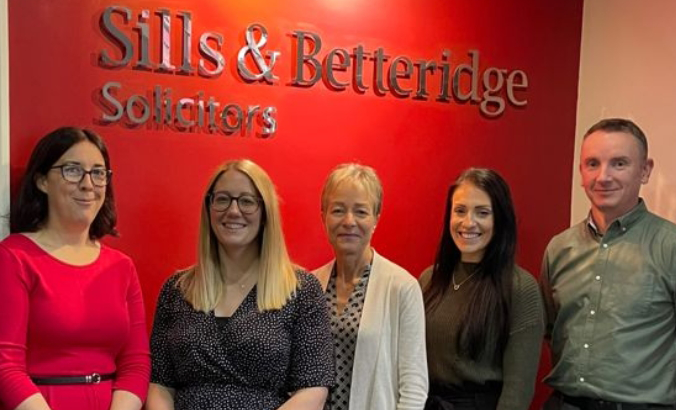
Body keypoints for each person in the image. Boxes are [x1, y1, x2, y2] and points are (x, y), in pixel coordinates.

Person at [541, 118, 676, 410]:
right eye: (592, 164)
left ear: (645, 170)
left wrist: (662, 403)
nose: (603, 177)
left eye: (619, 163)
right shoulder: (559, 247)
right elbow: (551, 328)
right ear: (581, 173)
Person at [147, 159, 334, 410]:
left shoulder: (302, 290)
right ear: (209, 207)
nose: (233, 211)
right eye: (223, 199)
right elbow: (159, 382)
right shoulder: (176, 290)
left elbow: (313, 388)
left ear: (265, 212)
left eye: (247, 201)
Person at [0, 127, 150, 410]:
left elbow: (136, 362)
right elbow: (5, 364)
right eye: (72, 170)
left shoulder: (122, 267)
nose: (88, 183)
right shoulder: (14, 256)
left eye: (98, 172)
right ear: (42, 180)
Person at [420, 167, 544, 410]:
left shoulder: (520, 287)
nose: (469, 222)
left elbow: (517, 392)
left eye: (482, 212)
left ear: (500, 220)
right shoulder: (429, 280)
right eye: (460, 211)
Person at [313, 163, 428, 410]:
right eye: (338, 210)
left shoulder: (402, 287)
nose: (349, 221)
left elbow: (414, 384)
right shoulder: (311, 286)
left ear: (376, 218)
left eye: (361, 212)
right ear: (323, 217)